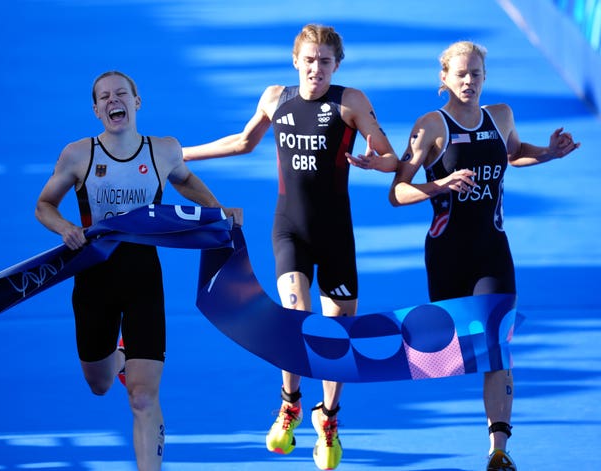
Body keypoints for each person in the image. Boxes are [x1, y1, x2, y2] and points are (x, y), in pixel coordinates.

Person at [183, 24, 398, 470]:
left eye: (325, 61)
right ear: (295, 61)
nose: (316, 68)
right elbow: (243, 142)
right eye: (309, 59)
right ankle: (291, 404)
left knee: (339, 334)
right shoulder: (275, 98)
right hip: (289, 229)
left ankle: (330, 418)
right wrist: (181, 155)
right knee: (294, 316)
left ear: (336, 65)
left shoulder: (350, 101)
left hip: (336, 234)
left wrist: (376, 162)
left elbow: (390, 157)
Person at [375, 41, 578, 470]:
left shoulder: (500, 116)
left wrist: (547, 152)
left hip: (492, 250)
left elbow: (512, 153)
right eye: (461, 75)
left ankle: (499, 449)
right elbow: (396, 193)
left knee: (497, 345)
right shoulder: (431, 126)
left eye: (477, 74)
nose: (469, 82)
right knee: (449, 352)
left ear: (485, 76)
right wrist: (440, 184)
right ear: (444, 78)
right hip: (447, 253)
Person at [35, 70, 242, 471]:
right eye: (105, 97)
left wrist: (220, 213)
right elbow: (44, 204)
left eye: (122, 94)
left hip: (144, 276)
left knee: (143, 397)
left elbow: (186, 182)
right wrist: (65, 228)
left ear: (137, 102)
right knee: (99, 385)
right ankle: (119, 356)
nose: (115, 100)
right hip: (94, 276)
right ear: (97, 110)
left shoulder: (163, 150)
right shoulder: (78, 155)